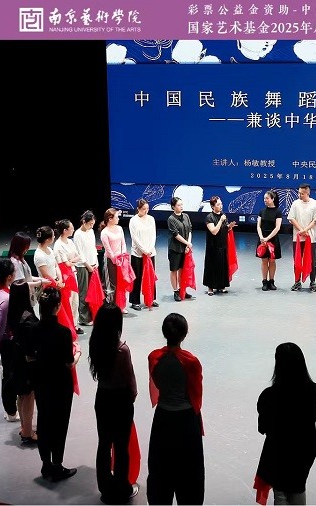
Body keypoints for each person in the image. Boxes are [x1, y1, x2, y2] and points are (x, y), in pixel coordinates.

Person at [147, 313, 204, 505]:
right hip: (186, 421)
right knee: (189, 472)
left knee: (161, 468)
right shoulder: (191, 362)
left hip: (163, 418)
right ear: (184, 334)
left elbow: (157, 383)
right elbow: (196, 393)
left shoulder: (155, 358)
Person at [255, 343, 316, 504]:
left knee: (280, 492)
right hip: (304, 450)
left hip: (278, 452)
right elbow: (311, 419)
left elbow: (262, 428)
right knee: (298, 488)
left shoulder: (268, 396)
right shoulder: (312, 390)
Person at [89, 304, 139, 503]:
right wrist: (132, 395)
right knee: (121, 446)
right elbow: (130, 378)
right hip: (121, 400)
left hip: (103, 398)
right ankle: (122, 486)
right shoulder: (122, 350)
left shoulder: (95, 344)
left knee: (104, 443)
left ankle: (105, 487)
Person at [31, 287, 81, 482]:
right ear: (58, 306)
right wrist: (78, 354)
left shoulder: (34, 329)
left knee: (44, 421)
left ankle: (46, 464)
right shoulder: (63, 333)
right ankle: (57, 464)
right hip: (60, 383)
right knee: (60, 424)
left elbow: (29, 356)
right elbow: (69, 363)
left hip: (41, 381)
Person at [7, 280, 39, 445]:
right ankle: (27, 432)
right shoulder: (27, 318)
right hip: (27, 361)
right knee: (28, 395)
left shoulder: (13, 312)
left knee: (21, 394)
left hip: (16, 357)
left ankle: (24, 427)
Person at [0, 256, 19, 423]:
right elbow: (1, 324)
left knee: (8, 373)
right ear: (9, 276)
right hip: (8, 341)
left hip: (4, 340)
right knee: (9, 376)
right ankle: (11, 410)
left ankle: (11, 408)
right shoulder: (6, 299)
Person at [54, 218, 89, 334]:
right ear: (65, 230)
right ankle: (67, 326)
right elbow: (66, 264)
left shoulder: (70, 242)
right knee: (67, 301)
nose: (73, 230)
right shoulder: (58, 245)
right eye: (71, 228)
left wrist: (71, 261)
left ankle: (74, 324)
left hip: (72, 273)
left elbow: (78, 256)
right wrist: (72, 261)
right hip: (65, 276)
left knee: (75, 300)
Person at [288, 183, 316, 292]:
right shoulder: (295, 204)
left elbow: (315, 220)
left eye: (302, 193)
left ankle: (312, 282)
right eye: (299, 193)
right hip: (297, 238)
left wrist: (305, 230)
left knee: (312, 261)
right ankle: (297, 281)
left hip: (310, 238)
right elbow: (292, 218)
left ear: (308, 193)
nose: (299, 195)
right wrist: (301, 230)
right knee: (297, 260)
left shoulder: (315, 204)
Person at [129, 199, 159, 311]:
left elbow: (153, 235)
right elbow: (135, 238)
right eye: (143, 209)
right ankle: (135, 301)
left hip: (150, 252)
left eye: (147, 209)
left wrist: (149, 248)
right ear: (138, 209)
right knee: (137, 277)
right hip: (138, 253)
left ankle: (151, 298)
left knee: (150, 276)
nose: (146, 211)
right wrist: (144, 250)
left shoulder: (151, 219)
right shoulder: (133, 220)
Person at [100, 208, 132, 313]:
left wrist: (123, 256)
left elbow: (123, 243)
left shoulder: (119, 228)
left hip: (121, 259)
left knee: (121, 283)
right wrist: (115, 260)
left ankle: (121, 306)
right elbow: (108, 249)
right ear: (110, 219)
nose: (118, 219)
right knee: (111, 284)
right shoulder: (105, 233)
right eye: (117, 217)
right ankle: (111, 307)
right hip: (111, 260)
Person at [7, 231, 51, 307]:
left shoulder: (21, 258)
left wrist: (40, 279)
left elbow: (27, 277)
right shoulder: (15, 262)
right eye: (27, 246)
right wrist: (40, 282)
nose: (28, 248)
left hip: (27, 295)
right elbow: (21, 285)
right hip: (21, 298)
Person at [203, 196, 236, 296]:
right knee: (212, 266)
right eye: (218, 204)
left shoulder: (223, 215)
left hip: (222, 245)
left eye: (221, 204)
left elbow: (224, 229)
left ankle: (221, 285)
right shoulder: (209, 217)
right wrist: (221, 221)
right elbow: (214, 231)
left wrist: (229, 227)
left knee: (222, 265)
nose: (220, 206)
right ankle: (210, 287)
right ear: (213, 206)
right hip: (213, 246)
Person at [72, 211, 99, 325]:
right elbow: (79, 252)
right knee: (84, 292)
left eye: (93, 224)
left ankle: (92, 315)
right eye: (90, 224)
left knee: (93, 291)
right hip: (83, 266)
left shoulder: (91, 231)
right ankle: (83, 318)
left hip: (92, 264)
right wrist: (87, 265)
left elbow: (93, 248)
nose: (92, 226)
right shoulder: (78, 234)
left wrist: (96, 262)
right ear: (84, 222)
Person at [167, 197, 195, 302]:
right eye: (179, 205)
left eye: (182, 204)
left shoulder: (186, 216)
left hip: (185, 248)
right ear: (173, 207)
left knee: (182, 270)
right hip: (175, 249)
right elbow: (176, 235)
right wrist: (187, 243)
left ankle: (182, 289)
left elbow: (190, 230)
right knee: (174, 270)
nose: (181, 207)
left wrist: (188, 244)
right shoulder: (171, 219)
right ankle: (175, 291)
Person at [257, 190, 283, 291]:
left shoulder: (278, 212)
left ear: (272, 199)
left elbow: (277, 227)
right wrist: (261, 237)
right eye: (264, 198)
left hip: (273, 238)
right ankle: (264, 281)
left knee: (272, 260)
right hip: (262, 238)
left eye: (267, 198)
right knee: (264, 260)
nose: (265, 200)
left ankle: (271, 281)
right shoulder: (261, 211)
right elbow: (258, 226)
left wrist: (267, 238)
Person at [33, 226, 65, 292]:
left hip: (56, 281)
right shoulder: (39, 255)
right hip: (47, 286)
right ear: (47, 239)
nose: (54, 237)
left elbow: (56, 266)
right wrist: (57, 284)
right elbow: (46, 276)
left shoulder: (49, 249)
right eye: (53, 236)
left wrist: (60, 279)